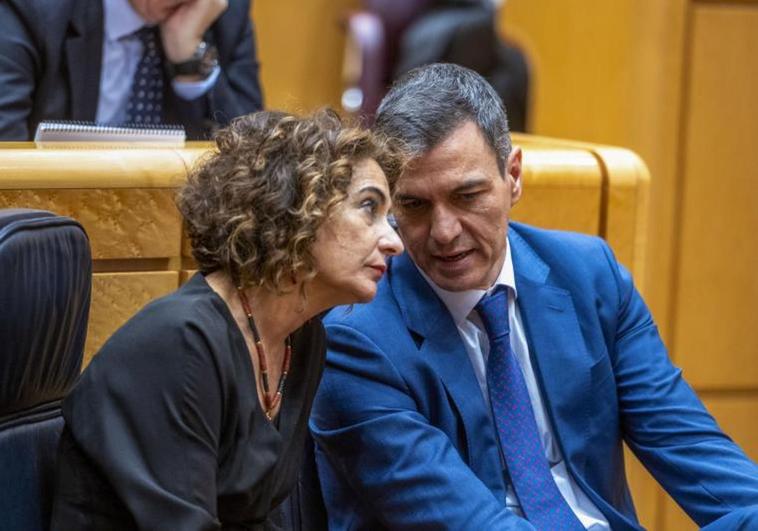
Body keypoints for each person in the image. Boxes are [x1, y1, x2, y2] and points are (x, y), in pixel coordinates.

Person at [310, 63, 758, 530]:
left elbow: (693, 451)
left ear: (514, 176)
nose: (443, 232)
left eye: (467, 196)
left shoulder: (589, 276)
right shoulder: (356, 337)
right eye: (414, 206)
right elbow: (467, 523)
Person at [50, 109, 404, 530]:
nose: (394, 242)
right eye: (368, 208)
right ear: (294, 207)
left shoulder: (301, 340)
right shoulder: (180, 343)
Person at [0, 0, 263, 140]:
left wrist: (191, 61)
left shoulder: (223, 12)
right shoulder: (32, 8)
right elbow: (6, 160)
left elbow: (254, 163)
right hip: (52, 224)